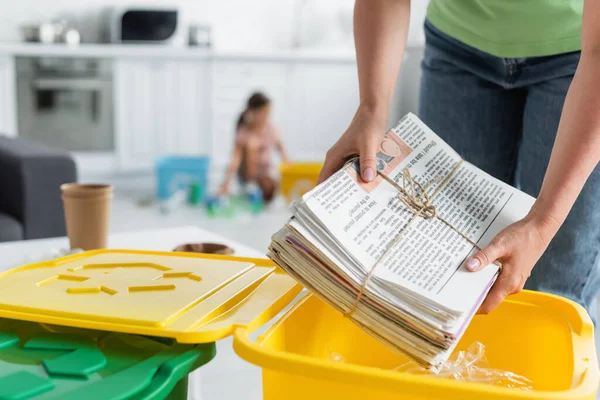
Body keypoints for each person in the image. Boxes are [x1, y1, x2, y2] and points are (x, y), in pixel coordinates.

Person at [318, 0, 600, 317]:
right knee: (444, 279)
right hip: (459, 46)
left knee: (553, 290)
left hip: (580, 51)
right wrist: (370, 109)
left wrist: (541, 225)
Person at [218, 92, 289, 203]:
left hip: (265, 174)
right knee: (252, 144)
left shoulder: (271, 129)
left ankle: (264, 194)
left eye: (268, 113)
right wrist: (225, 184)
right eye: (264, 113)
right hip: (248, 177)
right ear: (253, 113)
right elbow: (235, 160)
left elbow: (282, 152)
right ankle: (253, 189)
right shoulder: (244, 132)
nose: (267, 116)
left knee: (271, 182)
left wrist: (290, 171)